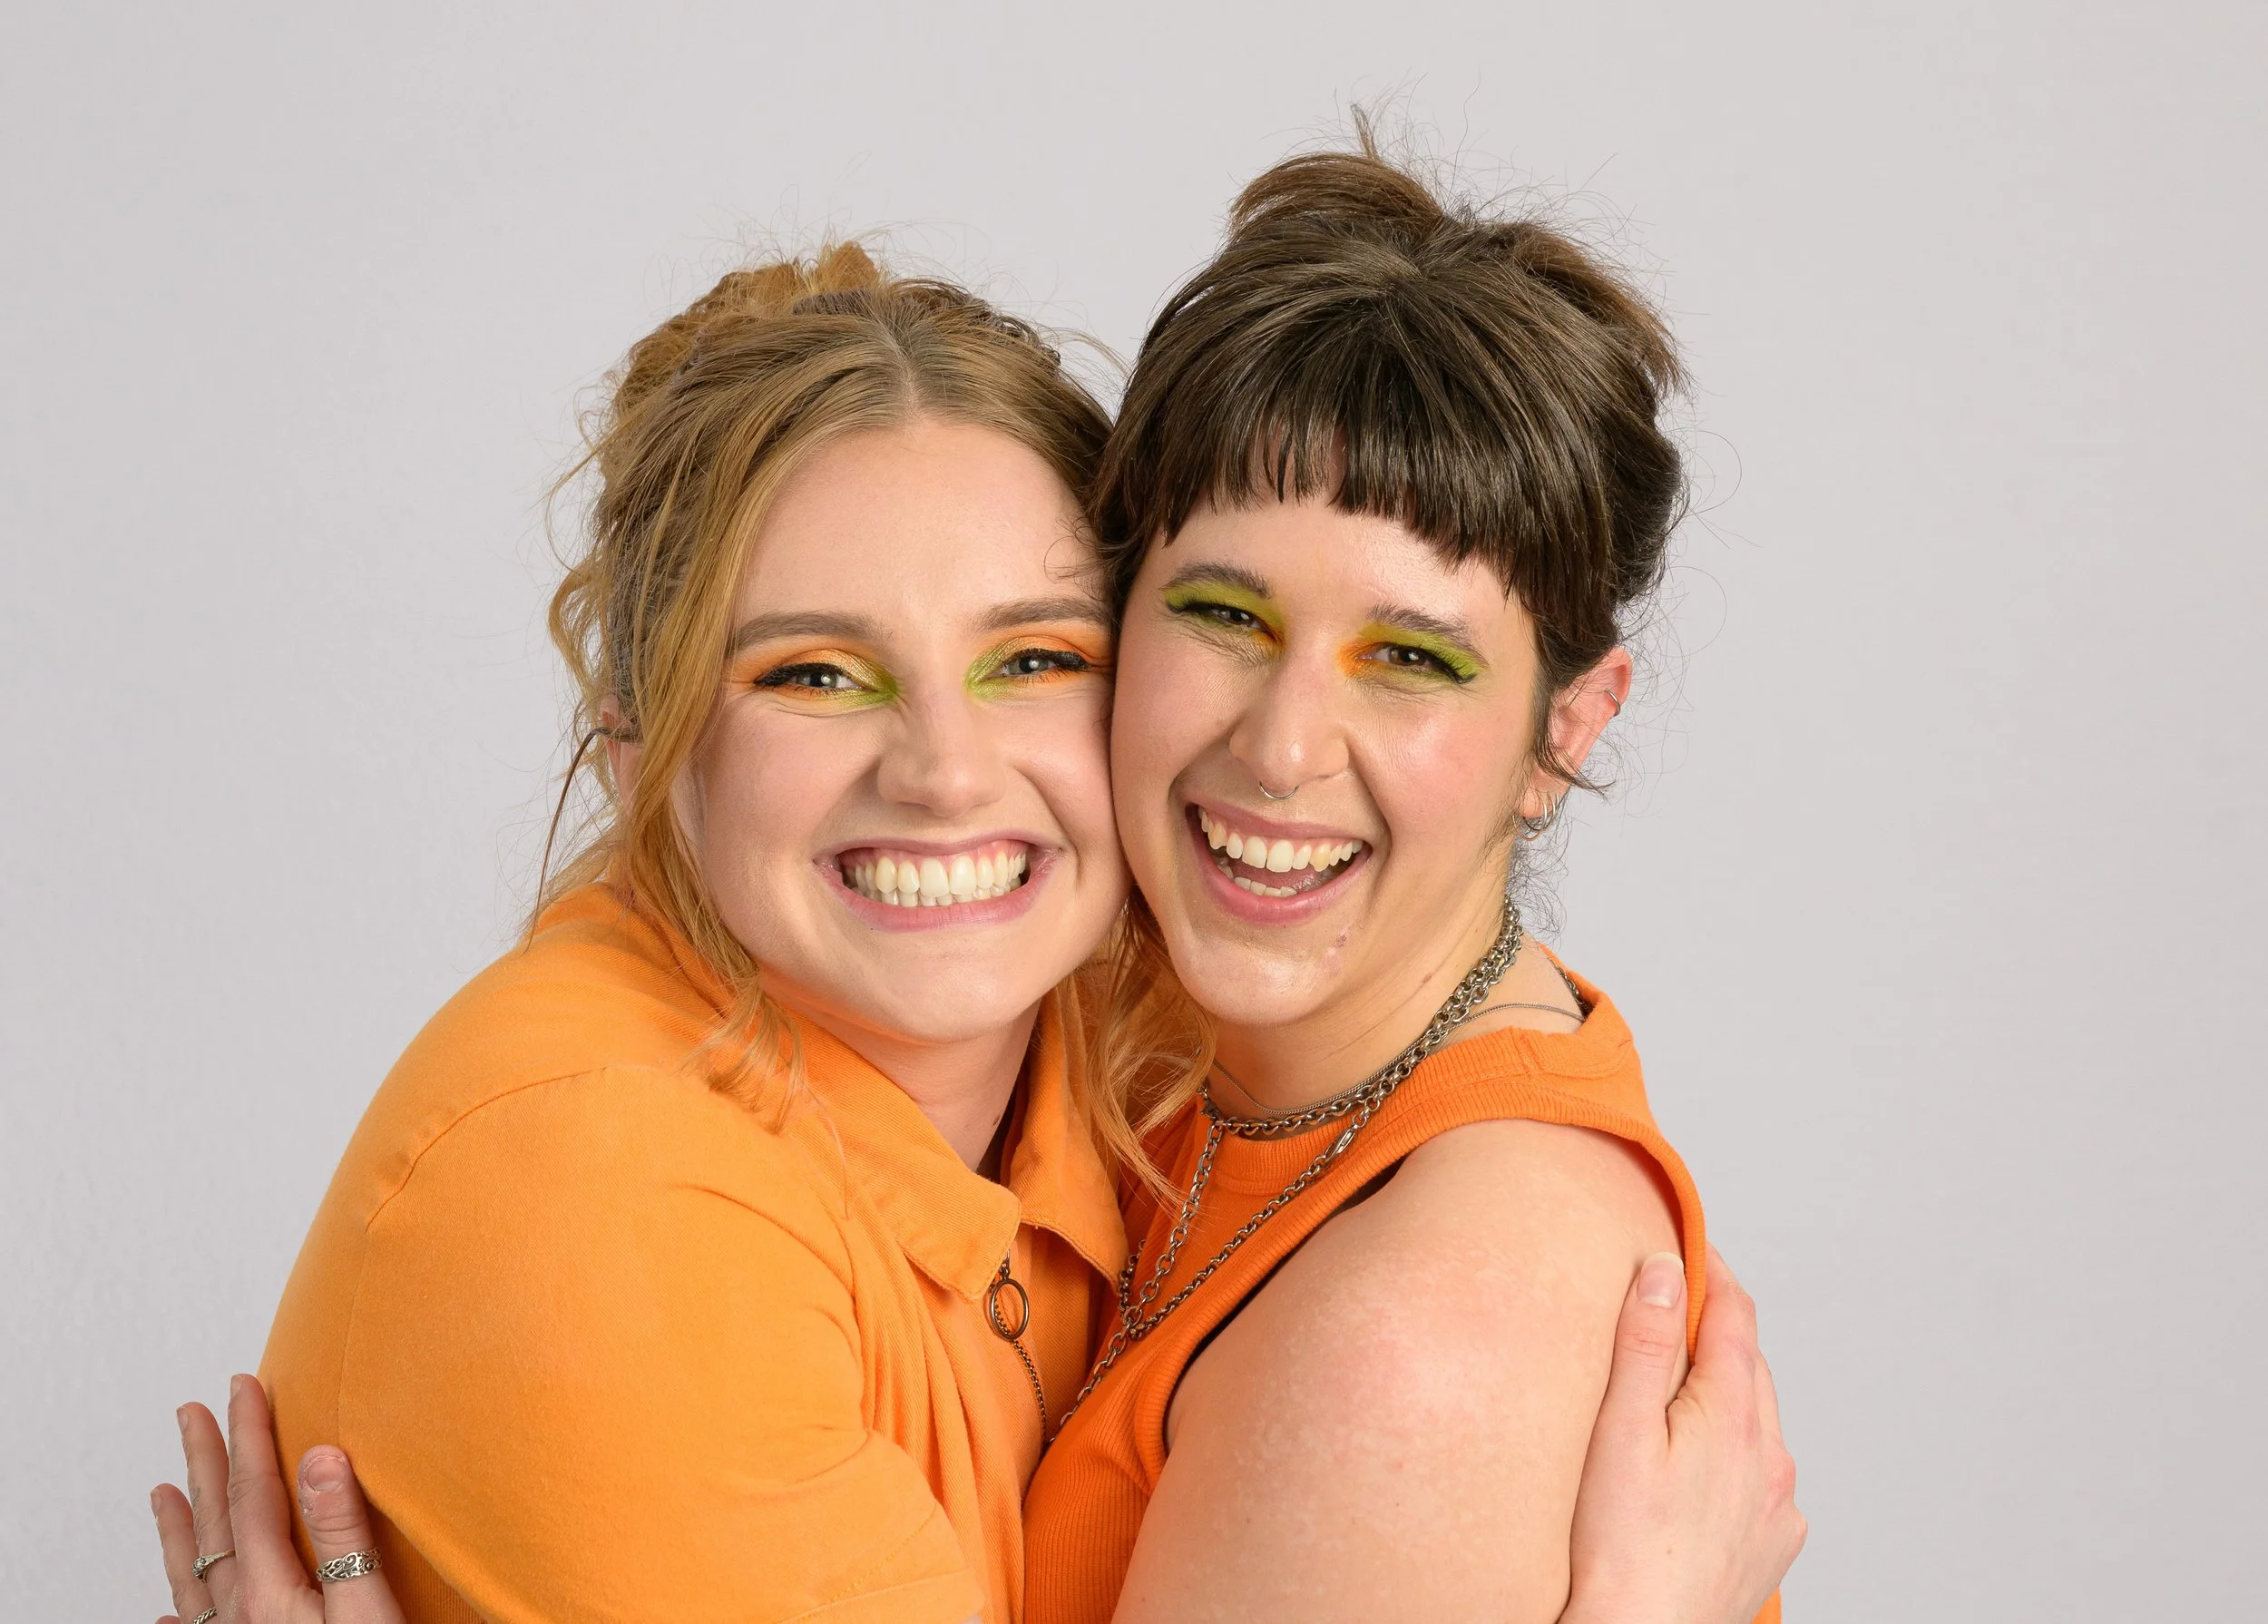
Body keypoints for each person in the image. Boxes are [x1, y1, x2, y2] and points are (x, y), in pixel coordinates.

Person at [150, 136, 1802, 1624]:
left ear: (1568, 720)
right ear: (642, 721)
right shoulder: (713, 1153)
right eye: (812, 673)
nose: (1284, 746)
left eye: (1025, 655)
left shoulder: (1411, 1317)